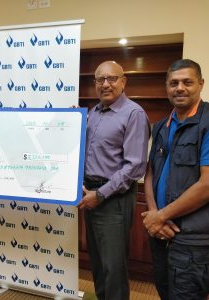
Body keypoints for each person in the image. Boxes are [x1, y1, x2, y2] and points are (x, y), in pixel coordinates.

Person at [78, 61, 149, 300]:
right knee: (97, 263)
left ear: (123, 81)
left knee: (113, 268)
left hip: (112, 200)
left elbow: (135, 166)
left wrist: (100, 195)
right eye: (100, 80)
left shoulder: (133, 113)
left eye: (112, 78)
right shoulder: (93, 113)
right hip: (90, 195)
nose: (106, 84)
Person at [142, 59, 209, 300]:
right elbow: (150, 173)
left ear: (200, 84)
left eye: (187, 82)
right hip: (160, 233)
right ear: (167, 87)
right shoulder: (160, 126)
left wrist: (160, 216)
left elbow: (207, 185)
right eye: (173, 83)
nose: (179, 88)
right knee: (164, 291)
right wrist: (153, 215)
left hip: (191, 239)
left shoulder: (207, 123)